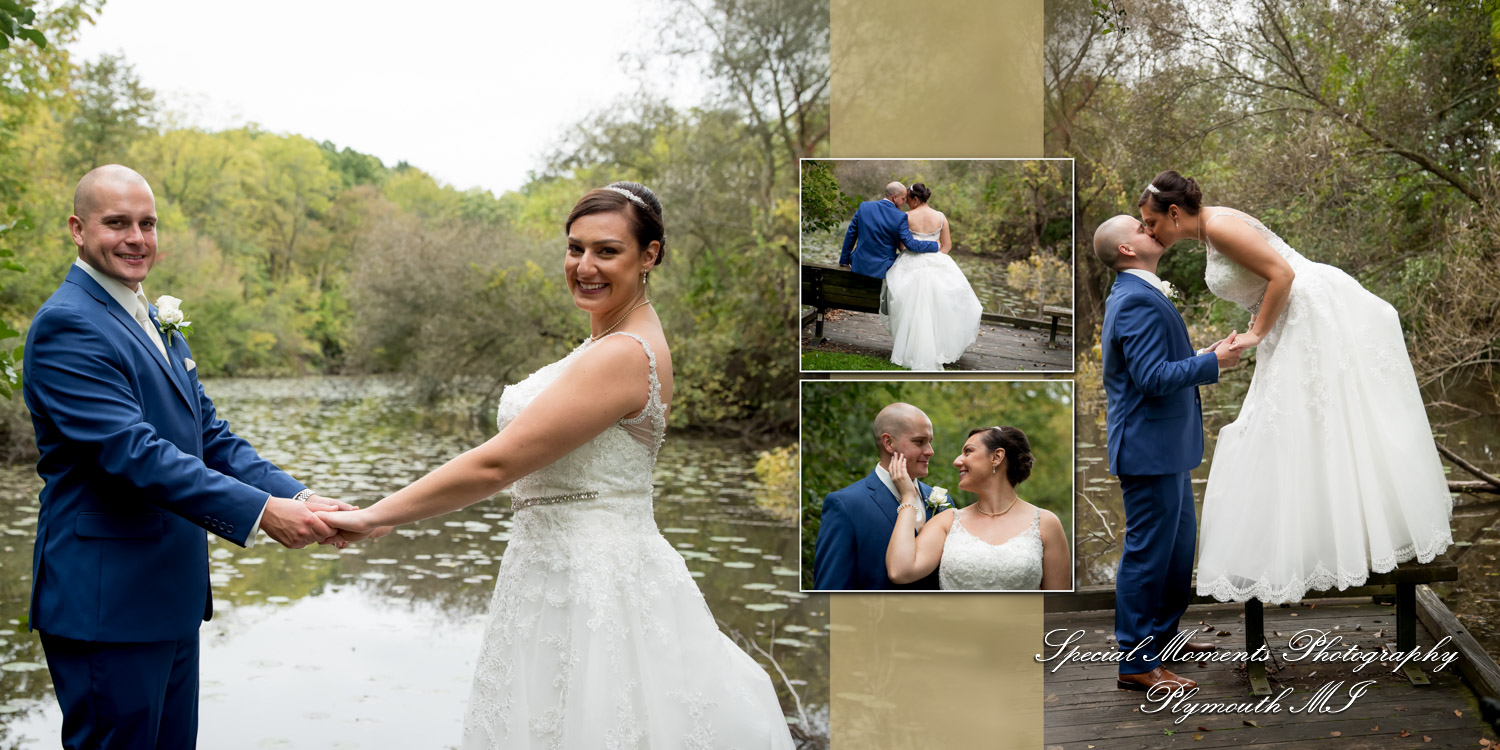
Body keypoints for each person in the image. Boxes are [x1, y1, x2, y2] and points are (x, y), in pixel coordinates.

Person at [318, 182, 794, 749]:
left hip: (593, 581)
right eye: (575, 248)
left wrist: (376, 516)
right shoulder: (608, 341)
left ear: (650, 255)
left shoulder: (624, 353)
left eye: (607, 251)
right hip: (552, 569)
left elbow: (497, 464)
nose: (584, 266)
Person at [23, 164, 354, 749]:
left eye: (147, 224)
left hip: (168, 598)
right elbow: (135, 454)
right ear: (77, 229)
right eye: (117, 223)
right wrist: (261, 512)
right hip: (107, 602)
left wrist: (299, 496)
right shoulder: (67, 325)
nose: (136, 238)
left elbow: (211, 437)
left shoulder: (153, 319)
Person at [1136, 170, 1455, 605]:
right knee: (1300, 424)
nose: (1149, 231)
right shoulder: (1212, 228)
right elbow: (1264, 279)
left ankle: (1345, 543)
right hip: (1293, 315)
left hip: (1308, 314)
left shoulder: (1219, 226)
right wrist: (1257, 317)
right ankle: (1327, 538)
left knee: (1301, 422)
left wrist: (1256, 334)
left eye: (1151, 222)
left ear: (1174, 212)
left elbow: (1282, 274)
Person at [1092, 214, 1239, 692]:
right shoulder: (1134, 299)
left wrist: (1200, 356)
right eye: (1139, 227)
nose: (1149, 227)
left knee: (1177, 552)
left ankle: (1162, 639)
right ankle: (1136, 662)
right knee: (1147, 555)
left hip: (1166, 447)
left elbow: (1155, 364)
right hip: (1147, 448)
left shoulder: (1140, 292)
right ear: (1127, 250)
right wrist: (1212, 363)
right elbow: (1151, 379)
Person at [885, 426, 1070, 590]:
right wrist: (908, 497)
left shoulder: (1046, 524)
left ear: (997, 457)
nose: (957, 461)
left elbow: (1059, 605)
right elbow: (899, 571)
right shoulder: (947, 522)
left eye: (968, 451)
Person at [812, 402, 941, 590]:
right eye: (919, 441)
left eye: (930, 441)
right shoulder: (846, 505)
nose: (930, 451)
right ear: (888, 443)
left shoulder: (942, 503)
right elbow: (830, 590)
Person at [881, 182, 983, 370]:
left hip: (909, 264)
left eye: (908, 199)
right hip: (937, 262)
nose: (906, 203)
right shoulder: (941, 217)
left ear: (916, 199)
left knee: (910, 301)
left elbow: (902, 246)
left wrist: (915, 257)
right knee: (939, 303)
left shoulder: (906, 217)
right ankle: (935, 349)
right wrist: (934, 259)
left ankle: (911, 347)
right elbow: (947, 246)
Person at [838, 181, 941, 278]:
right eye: (903, 199)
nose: (904, 202)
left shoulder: (864, 207)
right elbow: (911, 244)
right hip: (882, 269)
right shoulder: (900, 217)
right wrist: (935, 245)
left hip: (858, 264)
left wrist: (844, 260)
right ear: (895, 197)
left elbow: (851, 234)